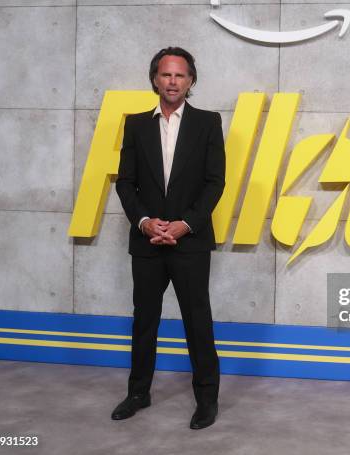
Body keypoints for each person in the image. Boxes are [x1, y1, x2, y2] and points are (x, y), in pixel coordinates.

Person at [112, 46, 225, 430]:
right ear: (154, 80)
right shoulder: (136, 124)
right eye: (165, 75)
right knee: (144, 320)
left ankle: (206, 400)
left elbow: (215, 183)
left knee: (198, 321)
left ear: (191, 80)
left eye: (180, 75)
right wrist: (144, 221)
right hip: (146, 241)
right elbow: (125, 182)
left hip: (190, 241)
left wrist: (185, 224)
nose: (172, 81)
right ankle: (138, 393)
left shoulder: (208, 123)